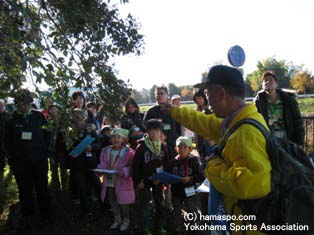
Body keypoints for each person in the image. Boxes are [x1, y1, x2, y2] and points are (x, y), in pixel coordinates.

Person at [163, 65, 271, 235]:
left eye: (208, 93)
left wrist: (211, 165)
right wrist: (176, 112)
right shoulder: (239, 121)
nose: (207, 100)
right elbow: (205, 123)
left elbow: (252, 184)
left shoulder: (244, 133)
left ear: (221, 94)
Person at [4, 89, 51, 230]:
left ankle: (46, 213)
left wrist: (45, 152)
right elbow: (6, 141)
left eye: (27, 104)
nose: (25, 107)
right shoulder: (11, 120)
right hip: (21, 163)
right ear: (17, 104)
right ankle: (28, 215)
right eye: (22, 104)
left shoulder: (38, 117)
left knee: (42, 187)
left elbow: (47, 134)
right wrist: (12, 158)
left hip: (39, 161)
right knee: (25, 189)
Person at [132, 119, 169, 235]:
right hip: (145, 182)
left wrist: (166, 180)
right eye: (151, 131)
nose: (154, 134)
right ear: (147, 132)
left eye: (157, 131)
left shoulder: (163, 147)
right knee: (145, 205)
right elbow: (135, 167)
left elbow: (166, 164)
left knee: (160, 204)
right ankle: (146, 227)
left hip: (158, 181)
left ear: (161, 132)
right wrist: (138, 182)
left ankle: (160, 226)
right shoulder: (141, 147)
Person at [98, 128, 135, 232]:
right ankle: (117, 218)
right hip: (109, 180)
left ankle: (126, 220)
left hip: (122, 181)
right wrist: (100, 169)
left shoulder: (129, 152)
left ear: (124, 139)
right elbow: (103, 163)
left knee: (124, 202)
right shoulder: (106, 150)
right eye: (113, 137)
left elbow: (133, 167)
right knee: (112, 199)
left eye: (119, 137)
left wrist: (125, 171)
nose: (116, 139)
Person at [165, 136, 204, 235]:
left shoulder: (194, 161)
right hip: (176, 192)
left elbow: (201, 176)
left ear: (190, 149)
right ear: (176, 149)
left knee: (192, 210)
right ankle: (179, 229)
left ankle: (195, 229)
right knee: (177, 212)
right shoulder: (172, 163)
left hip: (190, 191)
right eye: (179, 147)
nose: (182, 150)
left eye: (185, 147)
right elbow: (166, 176)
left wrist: (191, 178)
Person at [254, 71, 305, 146]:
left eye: (271, 80)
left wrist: (299, 141)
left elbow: (297, 120)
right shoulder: (258, 101)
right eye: (265, 80)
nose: (268, 82)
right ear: (262, 85)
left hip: (287, 136)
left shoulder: (288, 99)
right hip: (269, 138)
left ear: (276, 84)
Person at [143, 86, 181, 159]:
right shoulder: (151, 111)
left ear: (167, 95)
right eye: (157, 94)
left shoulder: (174, 109)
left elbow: (179, 128)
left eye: (162, 93)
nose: (159, 96)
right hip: (155, 145)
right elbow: (145, 126)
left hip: (173, 143)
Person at [0, 100, 10, 174]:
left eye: (2, 105)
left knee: (8, 151)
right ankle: (1, 166)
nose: (0, 107)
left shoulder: (8, 115)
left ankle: (11, 165)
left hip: (7, 136)